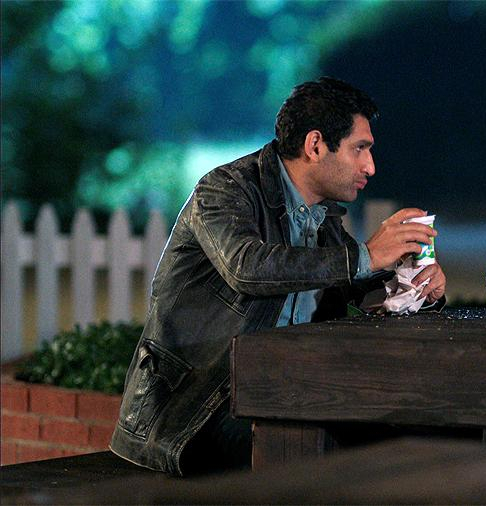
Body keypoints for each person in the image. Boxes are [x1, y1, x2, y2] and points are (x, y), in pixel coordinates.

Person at [110, 77, 446, 475]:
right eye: (360, 148)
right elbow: (248, 267)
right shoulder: (223, 191)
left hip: (288, 393)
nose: (370, 166)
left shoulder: (321, 215)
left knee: (413, 439)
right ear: (315, 145)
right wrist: (367, 255)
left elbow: (349, 286)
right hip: (197, 411)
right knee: (323, 457)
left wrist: (412, 285)